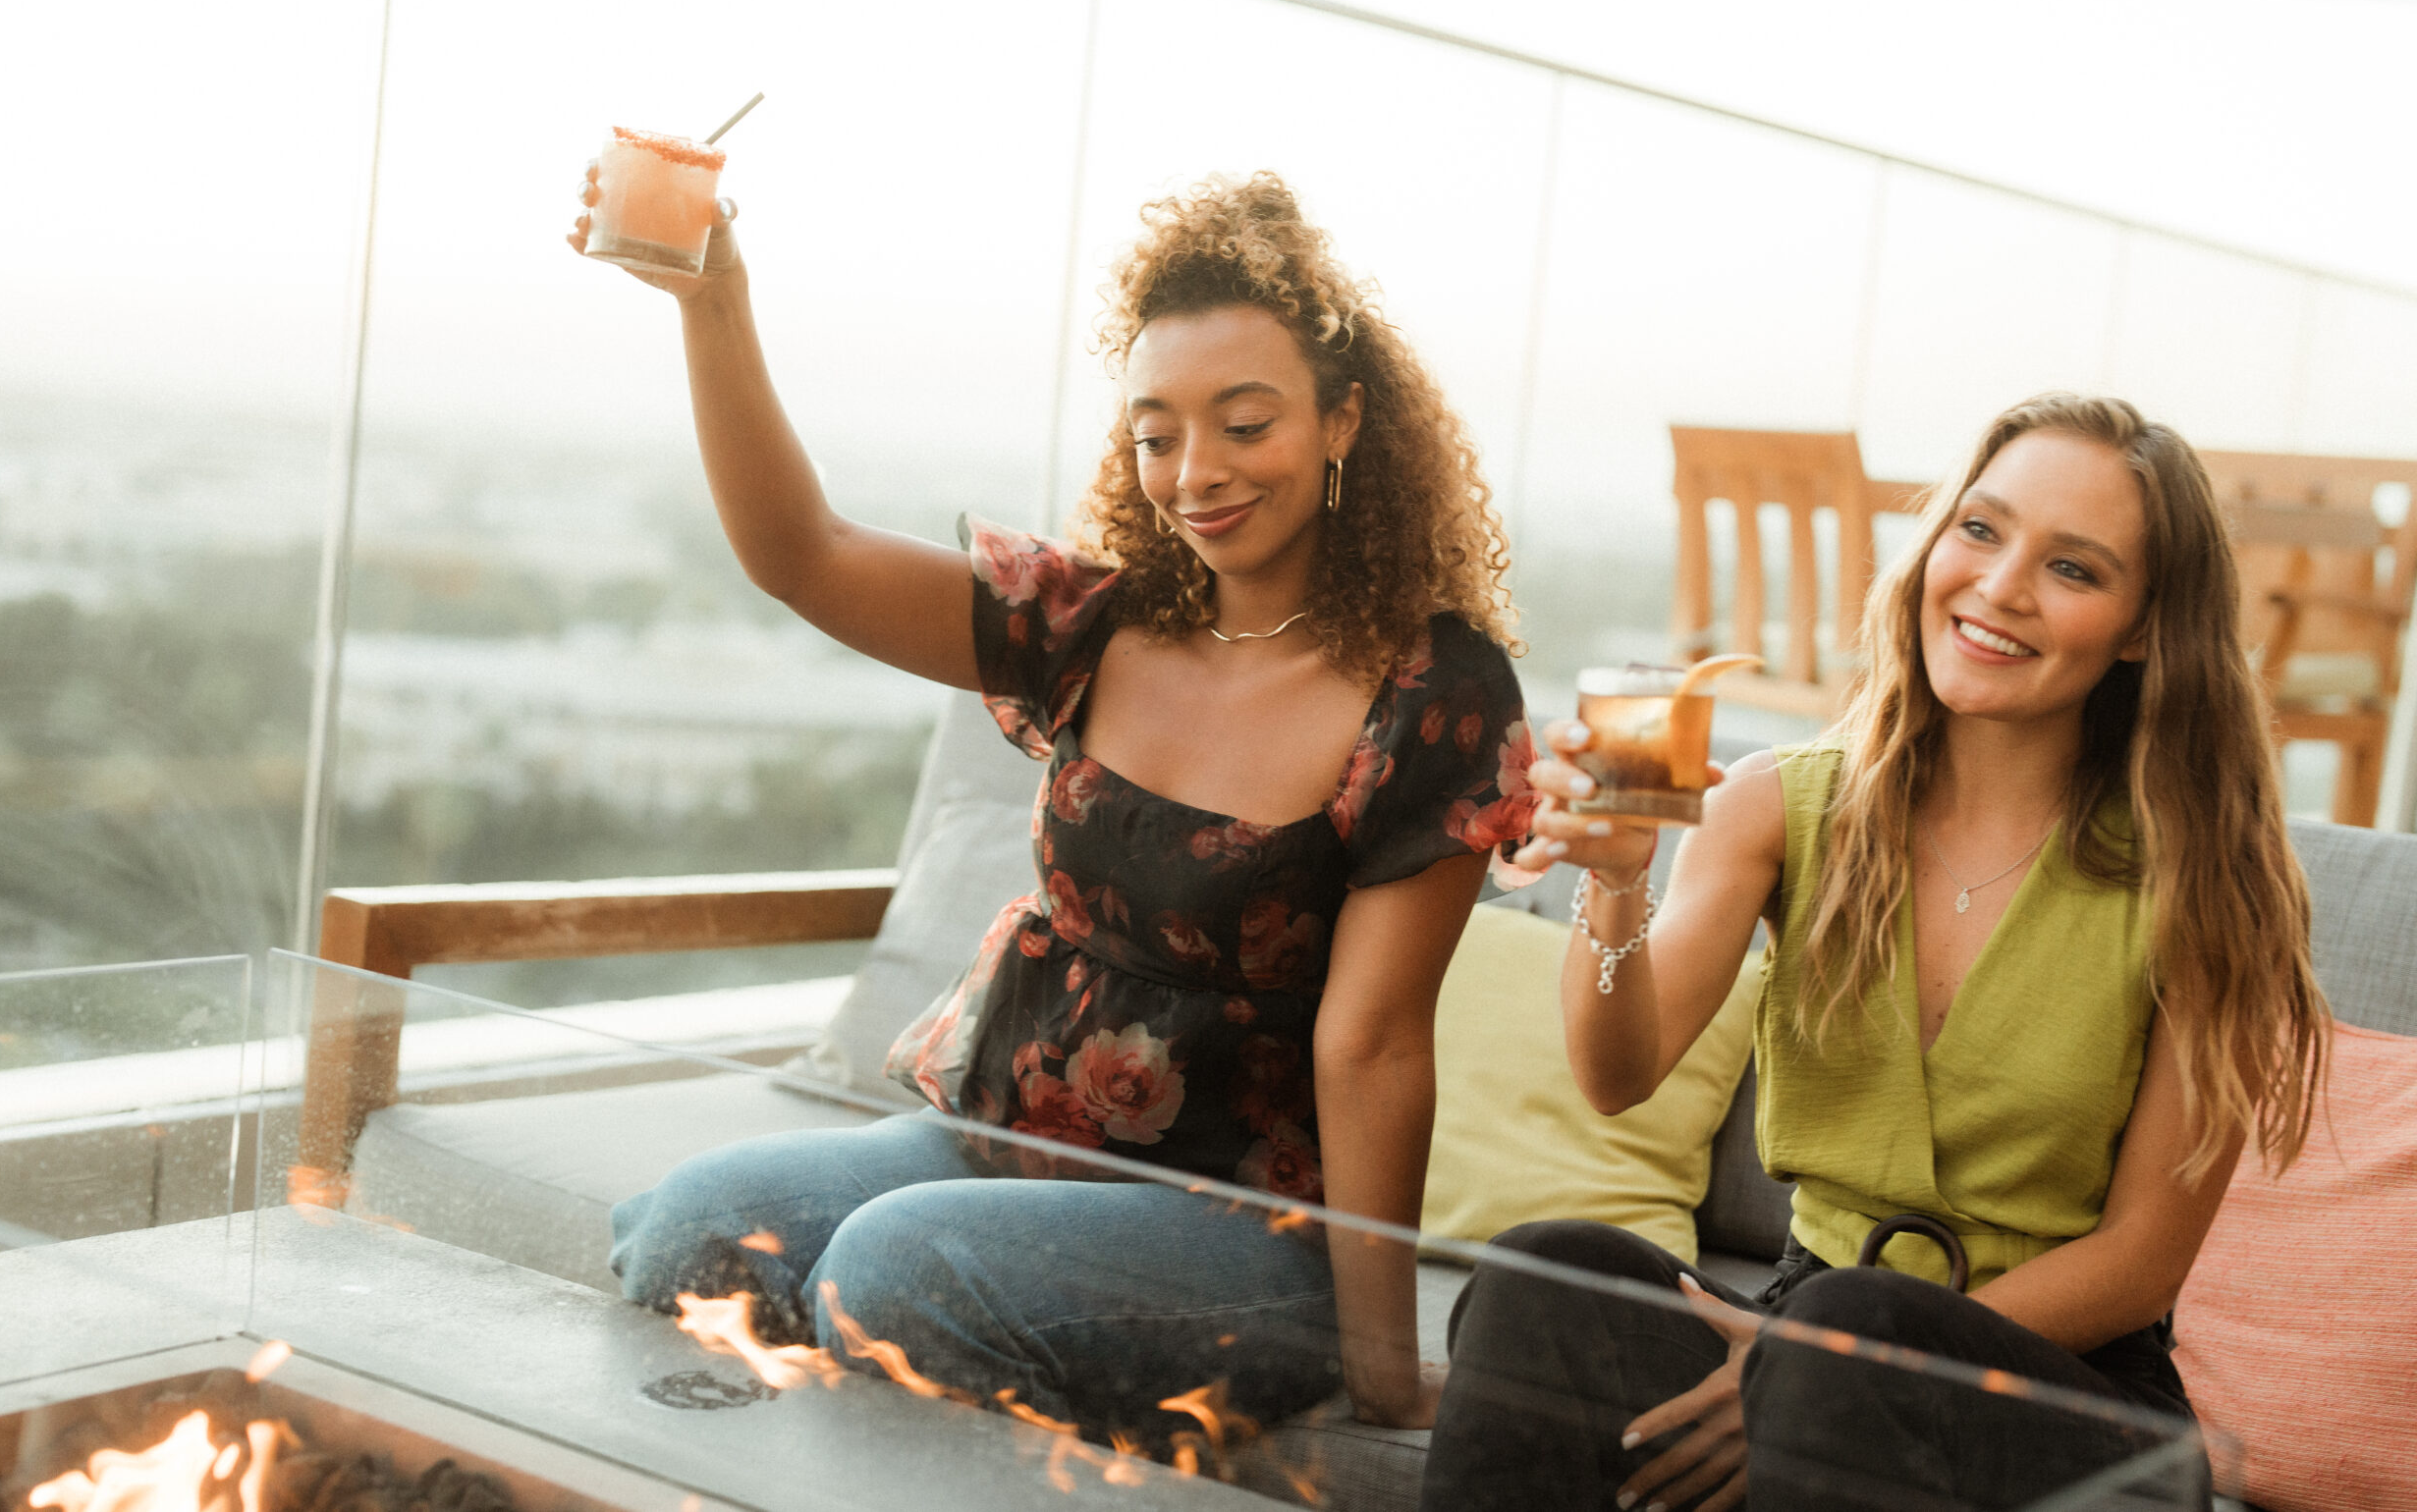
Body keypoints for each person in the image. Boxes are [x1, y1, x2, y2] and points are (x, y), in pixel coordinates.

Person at [571, 169, 1534, 1441]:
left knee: (899, 1268)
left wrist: (1383, 1374)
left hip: (1247, 1232)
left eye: (1246, 423)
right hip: (1010, 1149)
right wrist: (713, 300)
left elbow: (1374, 1047)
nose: (1197, 471)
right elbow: (802, 552)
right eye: (1157, 432)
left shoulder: (1433, 689)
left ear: (1345, 419)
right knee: (697, 1224)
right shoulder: (1091, 622)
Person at [1420, 394, 2331, 1511]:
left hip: (2067, 1403)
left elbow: (2144, 1257)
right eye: (1980, 530)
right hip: (1816, 1328)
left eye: (2074, 570)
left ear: (2143, 627)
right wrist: (1613, 884)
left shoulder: (2199, 878)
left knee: (1851, 1333)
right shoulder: (1779, 807)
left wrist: (1824, 1358)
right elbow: (1618, 1075)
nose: (1998, 588)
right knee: (1550, 1279)